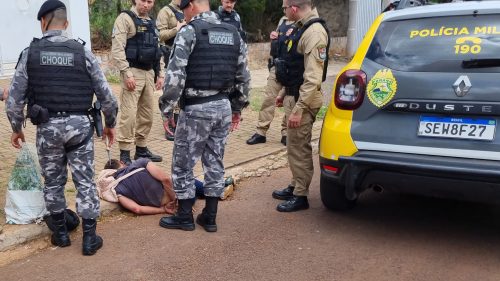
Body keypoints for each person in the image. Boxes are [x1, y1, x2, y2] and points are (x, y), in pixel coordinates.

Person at [5, 0, 118, 255]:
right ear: (66, 23)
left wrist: (16, 128)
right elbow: (108, 97)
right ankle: (90, 239)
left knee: (54, 183)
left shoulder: (30, 53)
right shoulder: (82, 53)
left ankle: (61, 235)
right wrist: (110, 125)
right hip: (80, 129)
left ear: (42, 22)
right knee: (85, 182)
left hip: (47, 129)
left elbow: (14, 101)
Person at [158, 0, 250, 232]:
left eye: (183, 10)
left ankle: (185, 216)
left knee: (182, 164)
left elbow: (175, 76)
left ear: (190, 6)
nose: (183, 15)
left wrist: (167, 109)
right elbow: (244, 77)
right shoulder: (233, 33)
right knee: (214, 161)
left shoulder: (189, 32)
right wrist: (237, 107)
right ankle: (210, 216)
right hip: (223, 107)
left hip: (196, 110)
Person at [271, 0, 330, 212]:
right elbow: (295, 66)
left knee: (299, 148)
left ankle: (301, 195)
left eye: (285, 9)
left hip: (303, 101)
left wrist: (299, 109)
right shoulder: (301, 28)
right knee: (293, 146)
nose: (285, 13)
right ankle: (296, 183)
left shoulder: (314, 32)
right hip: (294, 95)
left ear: (293, 8)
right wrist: (283, 92)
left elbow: (313, 78)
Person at [111, 0, 165, 165]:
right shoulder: (125, 19)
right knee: (129, 114)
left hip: (149, 72)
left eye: (150, 2)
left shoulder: (152, 22)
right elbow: (118, 48)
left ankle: (141, 149)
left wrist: (161, 73)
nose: (146, 5)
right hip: (132, 71)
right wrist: (126, 73)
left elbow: (158, 50)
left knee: (147, 114)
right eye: (143, 1)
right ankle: (125, 153)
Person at [246, 16, 295, 146]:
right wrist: (274, 38)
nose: (285, 9)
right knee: (268, 98)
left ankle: (286, 133)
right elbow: (278, 42)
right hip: (278, 66)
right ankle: (261, 133)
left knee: (289, 101)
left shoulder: (303, 21)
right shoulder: (283, 20)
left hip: (294, 69)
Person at [156, 0, 186, 141]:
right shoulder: (165, 12)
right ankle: (167, 126)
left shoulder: (187, 9)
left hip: (184, 56)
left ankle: (178, 123)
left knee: (182, 92)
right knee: (170, 91)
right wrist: (177, 29)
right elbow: (160, 35)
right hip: (170, 56)